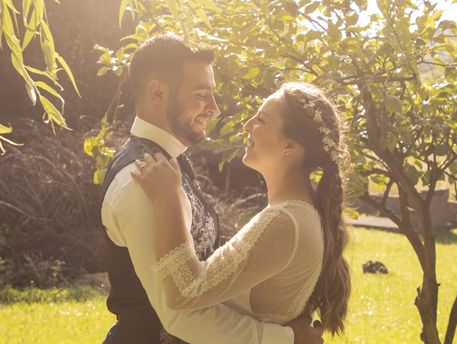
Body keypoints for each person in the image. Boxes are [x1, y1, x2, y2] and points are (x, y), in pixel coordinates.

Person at [100, 34, 324, 344]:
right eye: (201, 94)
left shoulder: (167, 168)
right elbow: (180, 315)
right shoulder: (141, 182)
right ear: (158, 92)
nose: (214, 108)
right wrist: (285, 338)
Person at [133, 82, 351, 338]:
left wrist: (167, 198)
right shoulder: (296, 214)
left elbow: (187, 290)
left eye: (261, 120)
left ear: (290, 146)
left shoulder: (287, 221)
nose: (247, 125)